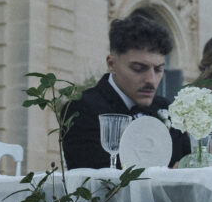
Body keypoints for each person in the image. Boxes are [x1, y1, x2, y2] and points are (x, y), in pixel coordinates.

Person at [62, 11, 191, 169]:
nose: (151, 80)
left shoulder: (165, 108)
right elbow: (95, 180)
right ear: (112, 64)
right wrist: (169, 175)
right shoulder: (81, 108)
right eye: (138, 68)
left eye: (158, 69)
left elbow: (188, 162)